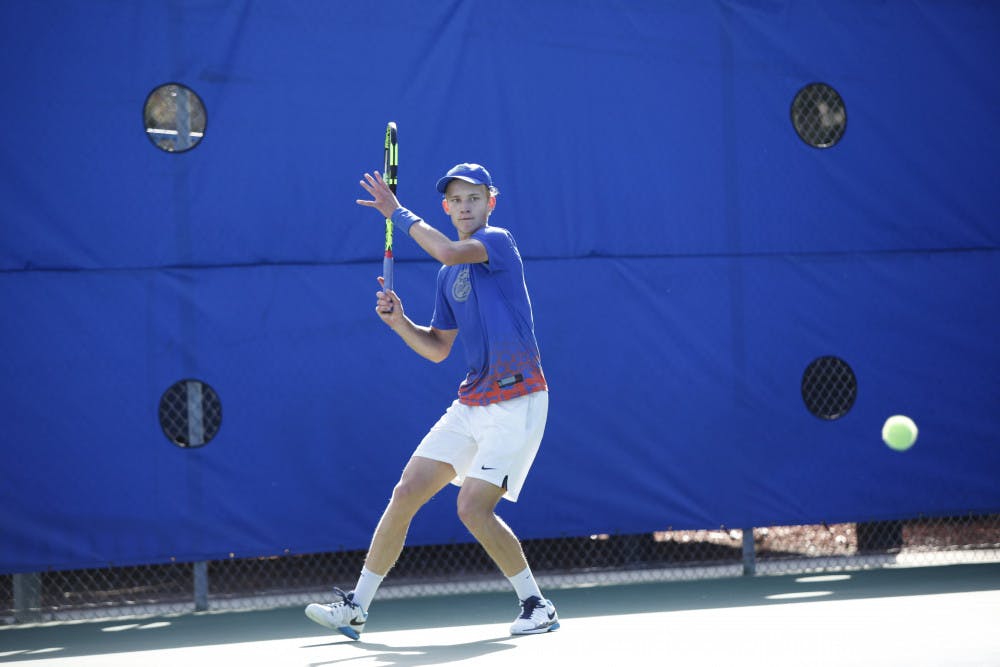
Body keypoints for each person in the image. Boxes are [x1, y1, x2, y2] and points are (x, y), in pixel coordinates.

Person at [304, 163, 558, 639]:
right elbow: (438, 347)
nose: (466, 206)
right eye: (457, 200)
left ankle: (536, 604)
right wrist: (401, 322)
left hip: (518, 397)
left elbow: (444, 246)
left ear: (490, 203)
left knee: (471, 508)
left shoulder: (498, 242)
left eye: (475, 198)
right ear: (447, 206)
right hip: (472, 400)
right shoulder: (448, 277)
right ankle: (356, 607)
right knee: (406, 492)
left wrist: (395, 211)